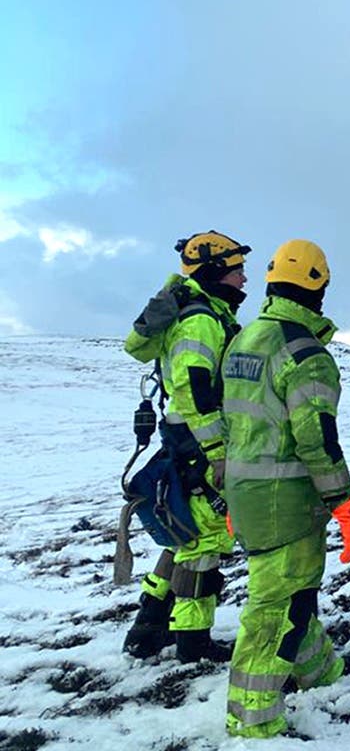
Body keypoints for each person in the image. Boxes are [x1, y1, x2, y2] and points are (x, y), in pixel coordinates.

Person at [222, 239, 350, 738]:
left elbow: (229, 428)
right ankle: (253, 720)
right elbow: (317, 444)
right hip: (286, 506)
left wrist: (228, 493)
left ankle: (318, 672)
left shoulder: (243, 342)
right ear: (318, 285)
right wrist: (347, 507)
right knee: (278, 608)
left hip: (245, 496)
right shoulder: (307, 356)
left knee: (294, 595)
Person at [123, 231, 251, 663]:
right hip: (199, 442)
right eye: (236, 271)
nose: (243, 280)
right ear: (216, 273)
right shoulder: (201, 321)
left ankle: (148, 627)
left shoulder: (201, 313)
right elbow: (195, 391)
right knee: (206, 542)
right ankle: (193, 641)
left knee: (185, 538)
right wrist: (218, 452)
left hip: (184, 441)